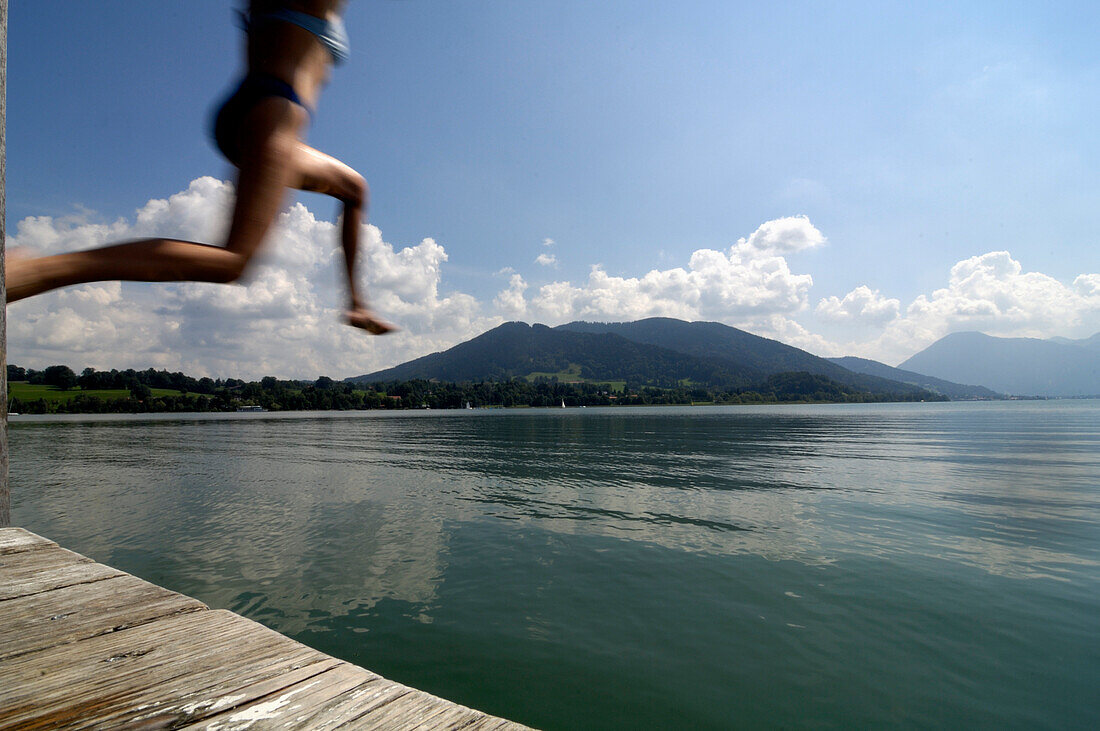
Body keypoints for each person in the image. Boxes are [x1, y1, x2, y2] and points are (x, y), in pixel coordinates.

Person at [6, 0, 394, 335]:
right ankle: (33, 270)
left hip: (250, 112)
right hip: (273, 113)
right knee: (232, 262)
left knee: (353, 189)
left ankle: (358, 302)